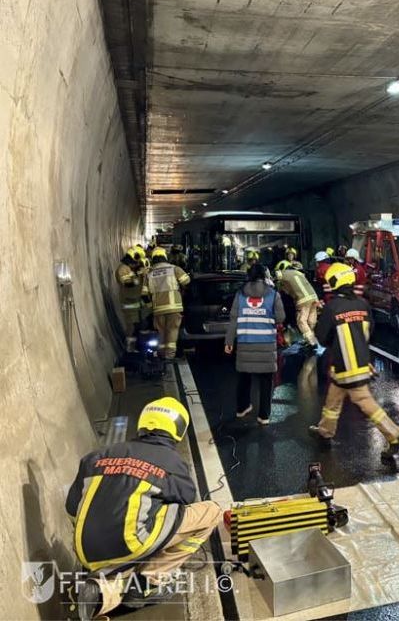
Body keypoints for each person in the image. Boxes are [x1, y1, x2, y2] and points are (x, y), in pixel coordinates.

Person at [67, 398, 222, 619]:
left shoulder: (97, 456)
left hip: (84, 548)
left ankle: (98, 594)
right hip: (130, 543)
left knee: (123, 560)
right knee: (211, 512)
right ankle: (149, 581)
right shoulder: (172, 463)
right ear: (178, 429)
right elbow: (185, 501)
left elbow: (72, 508)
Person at [308, 262, 399, 461]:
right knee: (333, 399)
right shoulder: (363, 304)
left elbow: (322, 337)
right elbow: (370, 331)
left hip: (345, 366)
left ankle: (395, 435)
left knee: (364, 401)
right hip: (360, 362)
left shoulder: (332, 307)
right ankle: (325, 431)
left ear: (335, 282)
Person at [224, 264, 285, 425]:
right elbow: (280, 317)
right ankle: (263, 416)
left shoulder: (240, 294)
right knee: (266, 381)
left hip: (245, 342)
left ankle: (242, 408)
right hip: (267, 345)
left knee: (244, 376)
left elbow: (233, 319)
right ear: (265, 276)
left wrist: (229, 341)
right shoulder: (273, 294)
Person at [142, 247, 191, 359]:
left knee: (161, 332)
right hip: (174, 307)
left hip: (158, 309)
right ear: (165, 257)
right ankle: (169, 355)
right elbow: (187, 281)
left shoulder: (149, 273)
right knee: (172, 330)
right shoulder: (174, 269)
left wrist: (151, 306)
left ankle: (161, 354)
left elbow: (144, 294)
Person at [276, 260, 320, 350]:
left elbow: (277, 275)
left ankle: (312, 342)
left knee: (301, 321)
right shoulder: (300, 274)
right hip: (314, 298)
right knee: (311, 321)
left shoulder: (285, 273)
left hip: (303, 300)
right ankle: (312, 340)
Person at [115, 248, 145, 351]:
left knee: (137, 326)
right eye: (136, 262)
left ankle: (135, 347)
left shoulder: (130, 269)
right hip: (128, 303)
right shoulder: (123, 269)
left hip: (135, 303)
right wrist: (139, 277)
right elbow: (127, 283)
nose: (137, 264)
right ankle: (130, 349)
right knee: (131, 327)